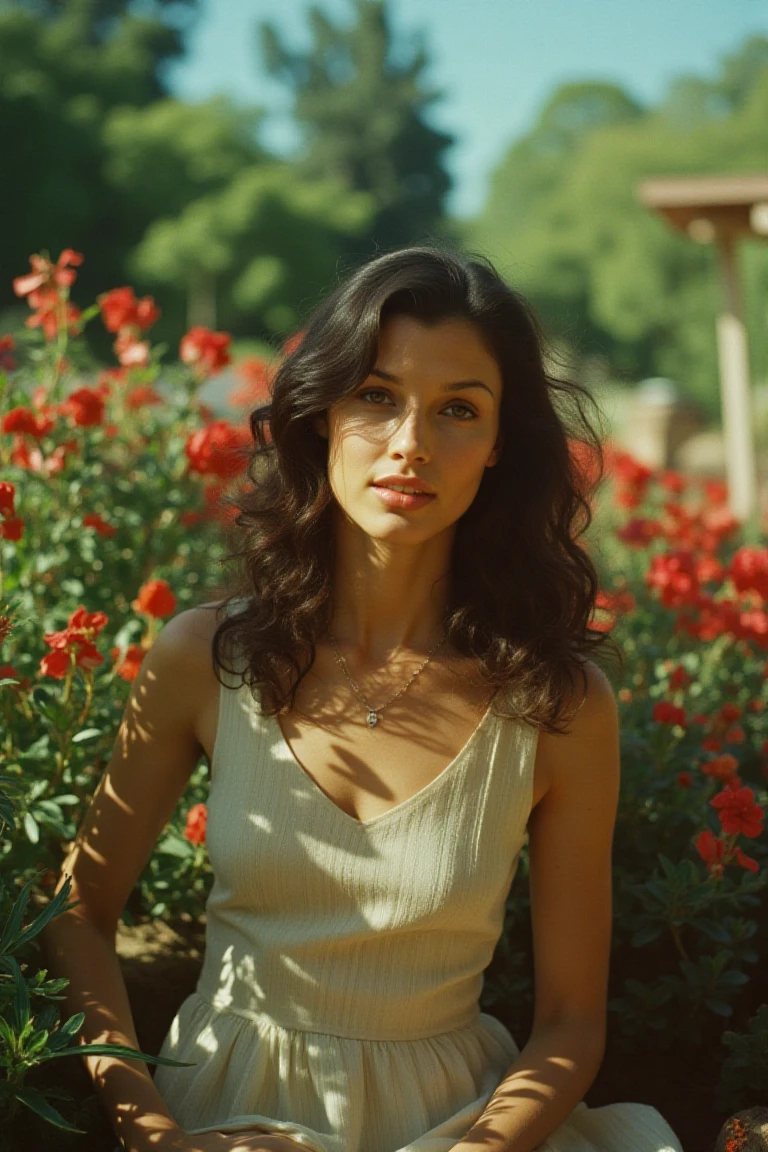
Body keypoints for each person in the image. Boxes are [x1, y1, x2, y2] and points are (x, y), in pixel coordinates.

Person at [43, 245, 684, 1152]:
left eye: (458, 408)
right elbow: (75, 914)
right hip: (215, 1120)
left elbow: (572, 1023)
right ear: (320, 414)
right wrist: (152, 1134)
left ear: (501, 445)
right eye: (377, 396)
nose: (410, 443)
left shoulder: (558, 705)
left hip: (458, 1128)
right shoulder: (204, 657)